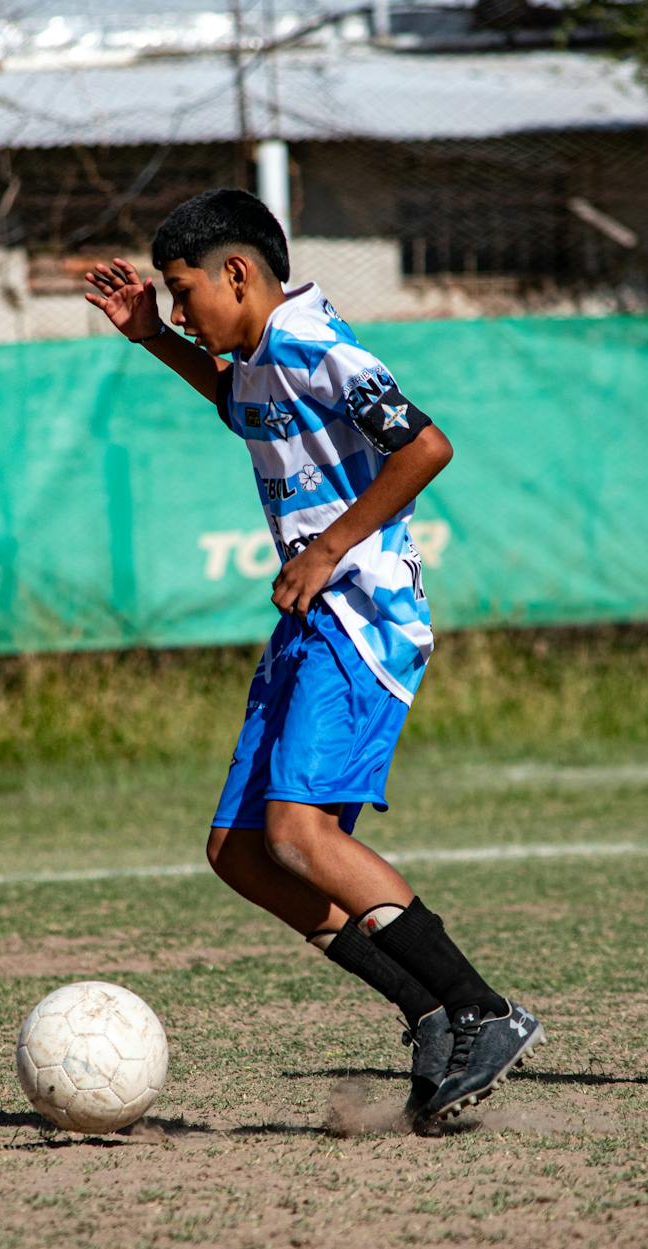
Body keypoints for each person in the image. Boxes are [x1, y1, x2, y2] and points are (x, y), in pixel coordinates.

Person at [81, 189, 538, 1128]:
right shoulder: (256, 356)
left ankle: (483, 1010)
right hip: (310, 621)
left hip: (362, 617)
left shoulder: (317, 344)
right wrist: (150, 340)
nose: (177, 311)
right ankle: (424, 1013)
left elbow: (425, 447)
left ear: (238, 275)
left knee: (297, 836)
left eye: (180, 293)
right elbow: (242, 408)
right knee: (242, 852)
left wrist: (327, 548)